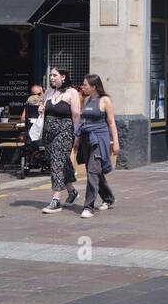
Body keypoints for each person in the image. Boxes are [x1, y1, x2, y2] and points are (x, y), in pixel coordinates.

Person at [74, 74, 120, 217]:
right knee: (94, 171)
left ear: (93, 86)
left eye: (85, 84)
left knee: (93, 171)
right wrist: (77, 138)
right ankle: (108, 198)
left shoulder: (105, 100)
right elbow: (82, 120)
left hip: (99, 139)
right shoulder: (87, 99)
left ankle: (88, 206)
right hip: (86, 139)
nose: (83, 86)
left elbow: (111, 122)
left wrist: (116, 142)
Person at [41, 68, 81, 212]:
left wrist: (77, 135)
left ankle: (56, 199)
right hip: (48, 133)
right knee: (63, 162)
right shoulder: (49, 92)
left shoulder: (72, 93)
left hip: (65, 131)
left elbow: (76, 114)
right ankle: (72, 191)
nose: (51, 77)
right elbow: (43, 107)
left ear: (63, 77)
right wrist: (41, 108)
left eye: (54, 75)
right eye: (51, 75)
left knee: (57, 162)